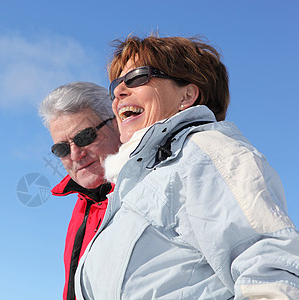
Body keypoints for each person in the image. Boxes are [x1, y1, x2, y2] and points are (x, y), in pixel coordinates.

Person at [75, 35, 299, 299]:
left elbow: (271, 273)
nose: (118, 92)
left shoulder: (206, 154)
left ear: (188, 95)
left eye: (136, 77)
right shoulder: (138, 181)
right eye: (116, 84)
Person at [39, 81, 121, 300]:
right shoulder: (82, 207)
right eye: (62, 149)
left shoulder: (152, 187)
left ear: (117, 124)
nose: (75, 155)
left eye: (85, 137)